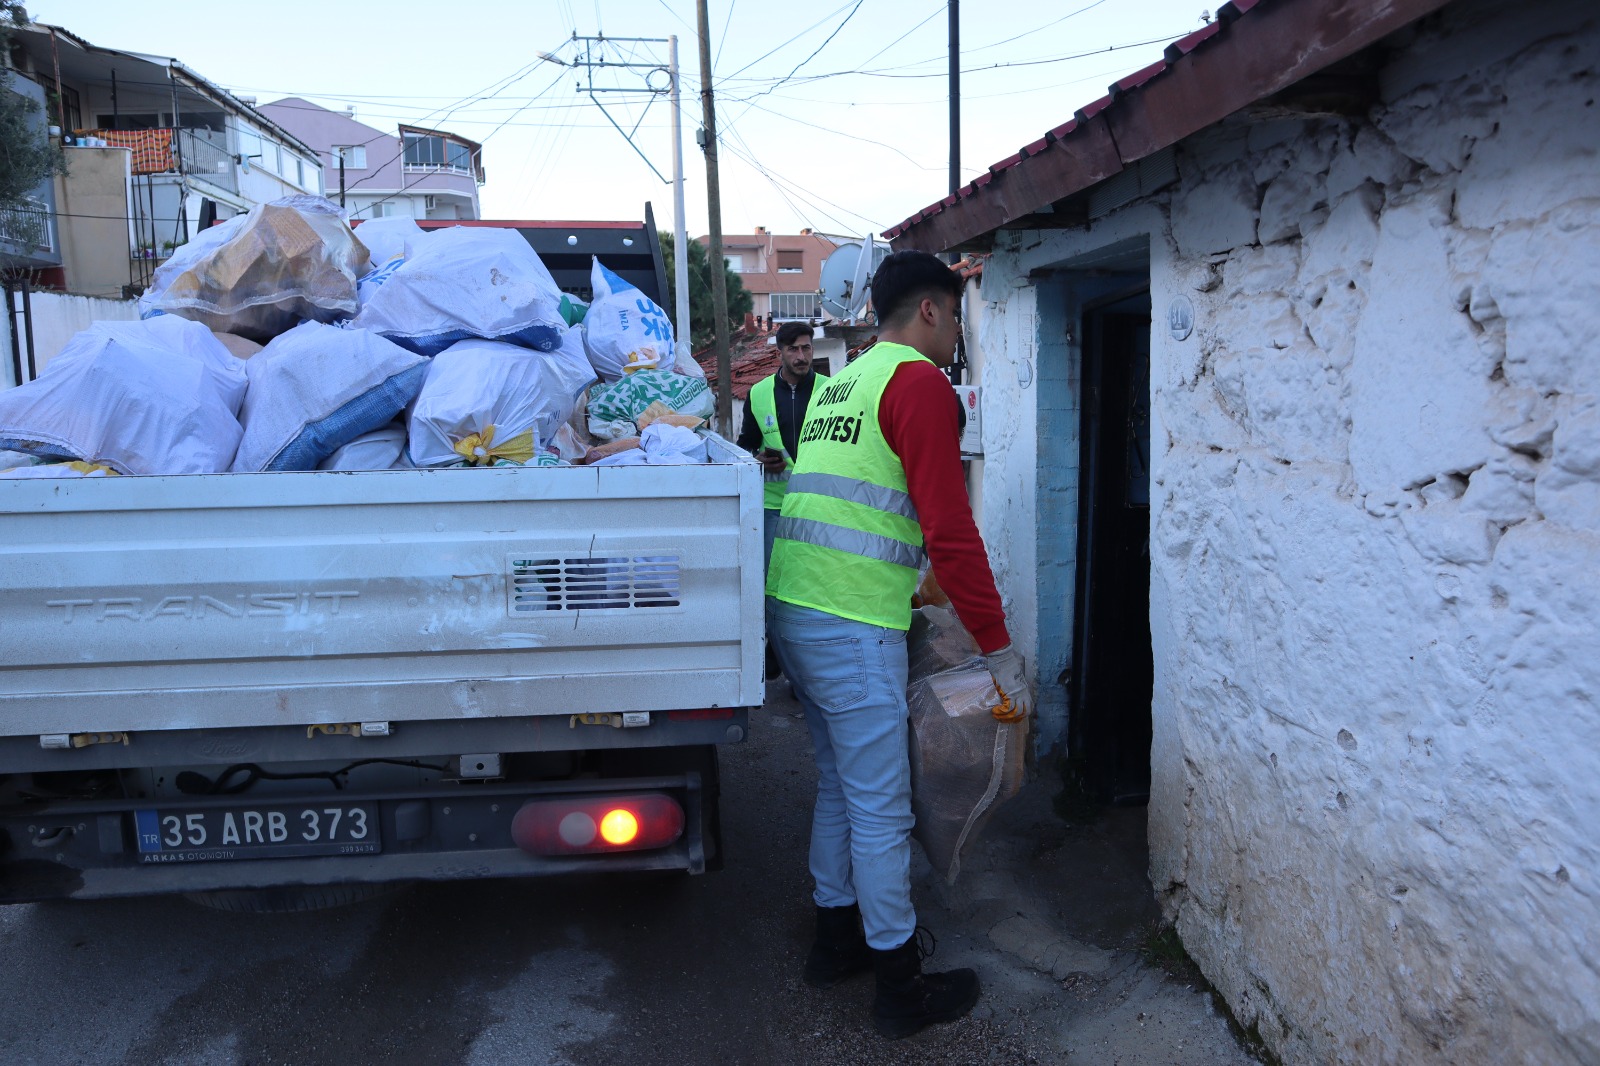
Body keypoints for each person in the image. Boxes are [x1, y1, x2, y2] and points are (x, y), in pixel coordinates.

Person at [765, 250, 1033, 1040]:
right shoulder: (918, 381)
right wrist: (998, 648)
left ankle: (834, 941)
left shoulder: (841, 381)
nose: (957, 335)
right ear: (930, 312)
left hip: (800, 607)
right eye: (956, 318)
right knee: (881, 809)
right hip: (849, 622)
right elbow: (950, 529)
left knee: (841, 785)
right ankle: (898, 987)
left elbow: (864, 503)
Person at [737, 322, 826, 570]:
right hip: (774, 506)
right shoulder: (758, 393)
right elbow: (744, 446)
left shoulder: (830, 390)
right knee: (772, 576)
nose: (801, 356)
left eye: (806, 349)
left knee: (815, 576)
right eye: (793, 349)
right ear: (780, 353)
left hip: (818, 504)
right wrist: (757, 460)